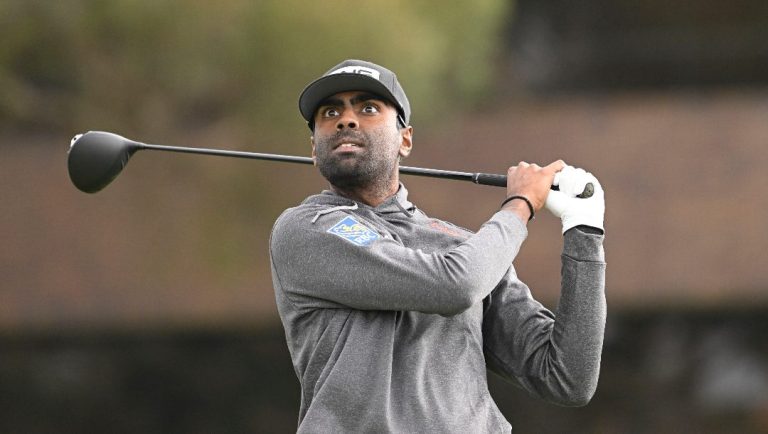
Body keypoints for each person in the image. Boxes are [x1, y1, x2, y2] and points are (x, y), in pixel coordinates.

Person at [269, 59, 606, 433]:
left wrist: (585, 231)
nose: (346, 120)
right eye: (330, 112)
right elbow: (454, 285)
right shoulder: (306, 228)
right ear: (314, 148)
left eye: (368, 108)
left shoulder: (463, 246)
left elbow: (566, 376)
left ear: (406, 139)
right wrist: (520, 204)